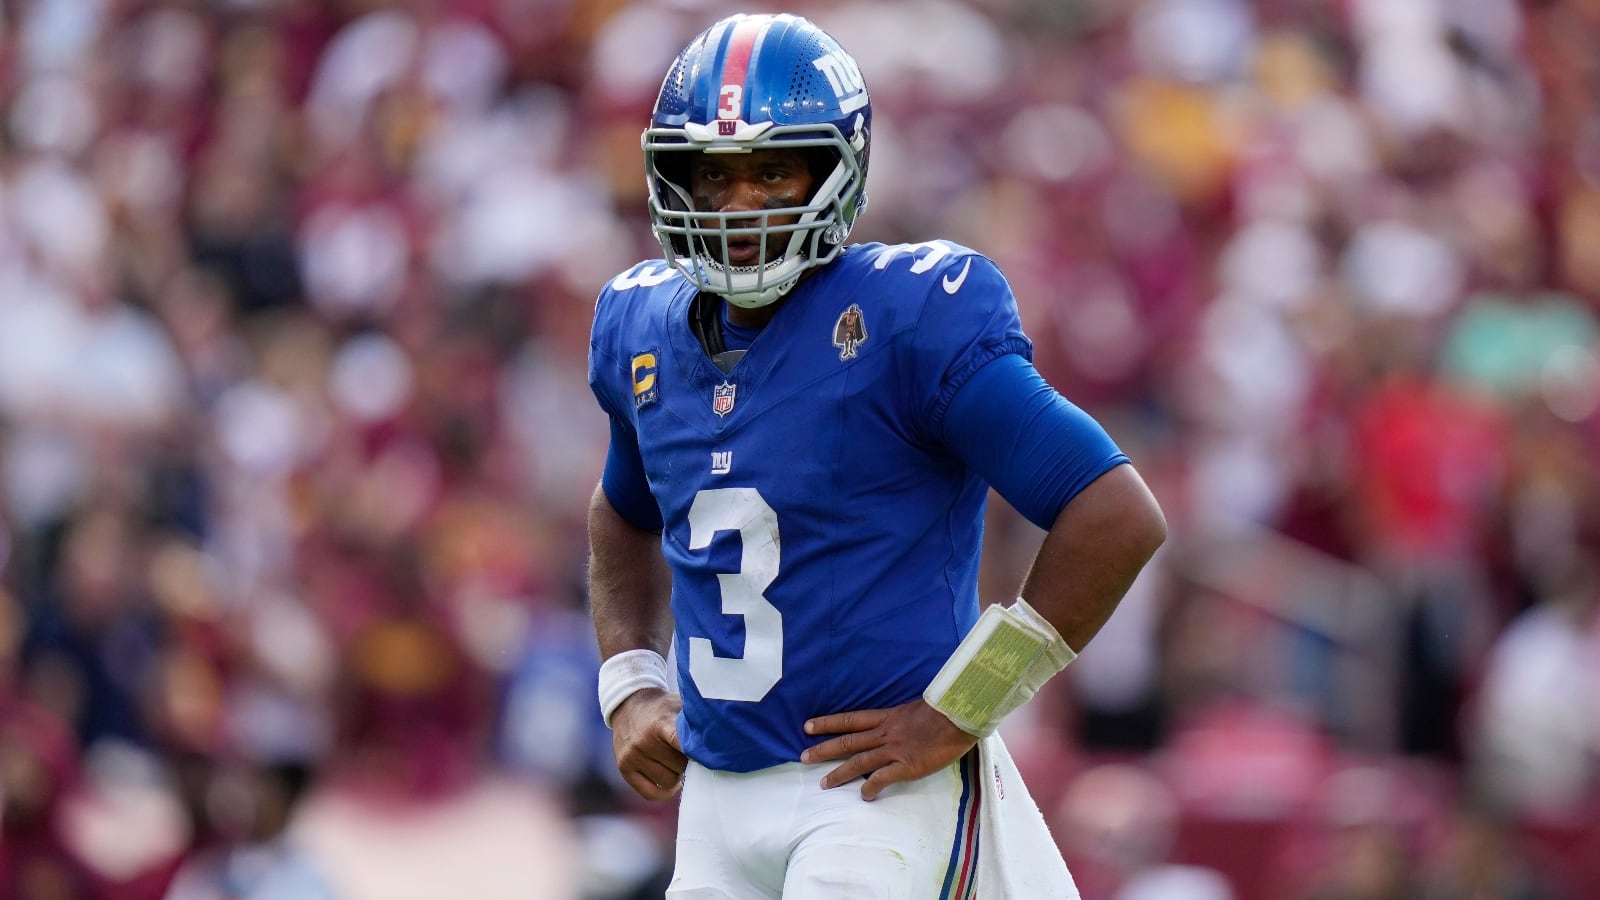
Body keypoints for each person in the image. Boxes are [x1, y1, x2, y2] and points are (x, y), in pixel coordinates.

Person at [586, 12, 1167, 898]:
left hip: (870, 792)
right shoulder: (641, 326)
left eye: (771, 172)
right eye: (713, 174)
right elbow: (622, 513)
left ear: (836, 171)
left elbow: (1116, 513)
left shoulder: (910, 317)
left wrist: (964, 707)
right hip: (714, 795)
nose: (737, 203)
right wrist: (630, 682)